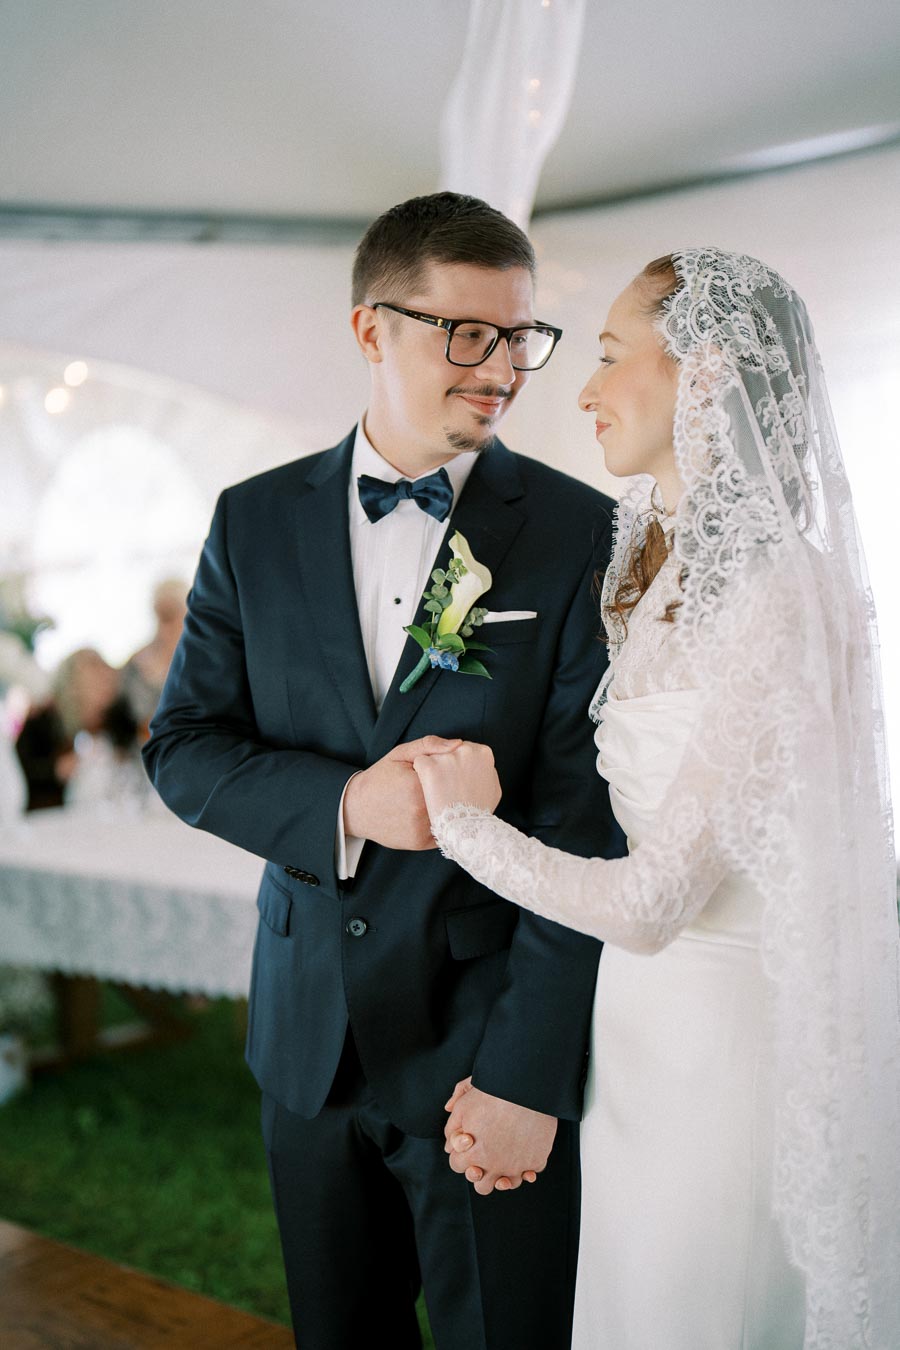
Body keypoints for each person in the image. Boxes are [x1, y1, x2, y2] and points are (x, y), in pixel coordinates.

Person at [143, 192, 623, 1350]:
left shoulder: (579, 534)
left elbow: (585, 823)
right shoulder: (250, 522)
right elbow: (185, 748)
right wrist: (347, 805)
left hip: (483, 1050)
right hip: (306, 1043)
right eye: (466, 332)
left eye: (519, 336)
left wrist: (525, 1075)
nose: (501, 368)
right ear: (370, 330)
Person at [413, 248, 900, 1349]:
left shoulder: (786, 587)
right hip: (637, 1033)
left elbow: (653, 901)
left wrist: (463, 826)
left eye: (611, 353)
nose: (582, 390)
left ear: (708, 369)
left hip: (726, 1037)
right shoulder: (653, 567)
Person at [121, 578, 188, 737]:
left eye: (170, 615)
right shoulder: (136, 665)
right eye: (161, 616)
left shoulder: (207, 661)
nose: (165, 626)